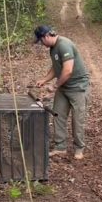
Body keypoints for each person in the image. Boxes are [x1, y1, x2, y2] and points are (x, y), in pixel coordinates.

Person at [34, 25, 90, 160]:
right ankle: (60, 147)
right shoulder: (53, 48)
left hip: (78, 87)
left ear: (46, 36)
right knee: (58, 114)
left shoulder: (64, 45)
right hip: (64, 86)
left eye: (41, 41)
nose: (41, 44)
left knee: (77, 119)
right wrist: (45, 80)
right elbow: (56, 66)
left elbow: (68, 70)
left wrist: (54, 86)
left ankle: (79, 148)